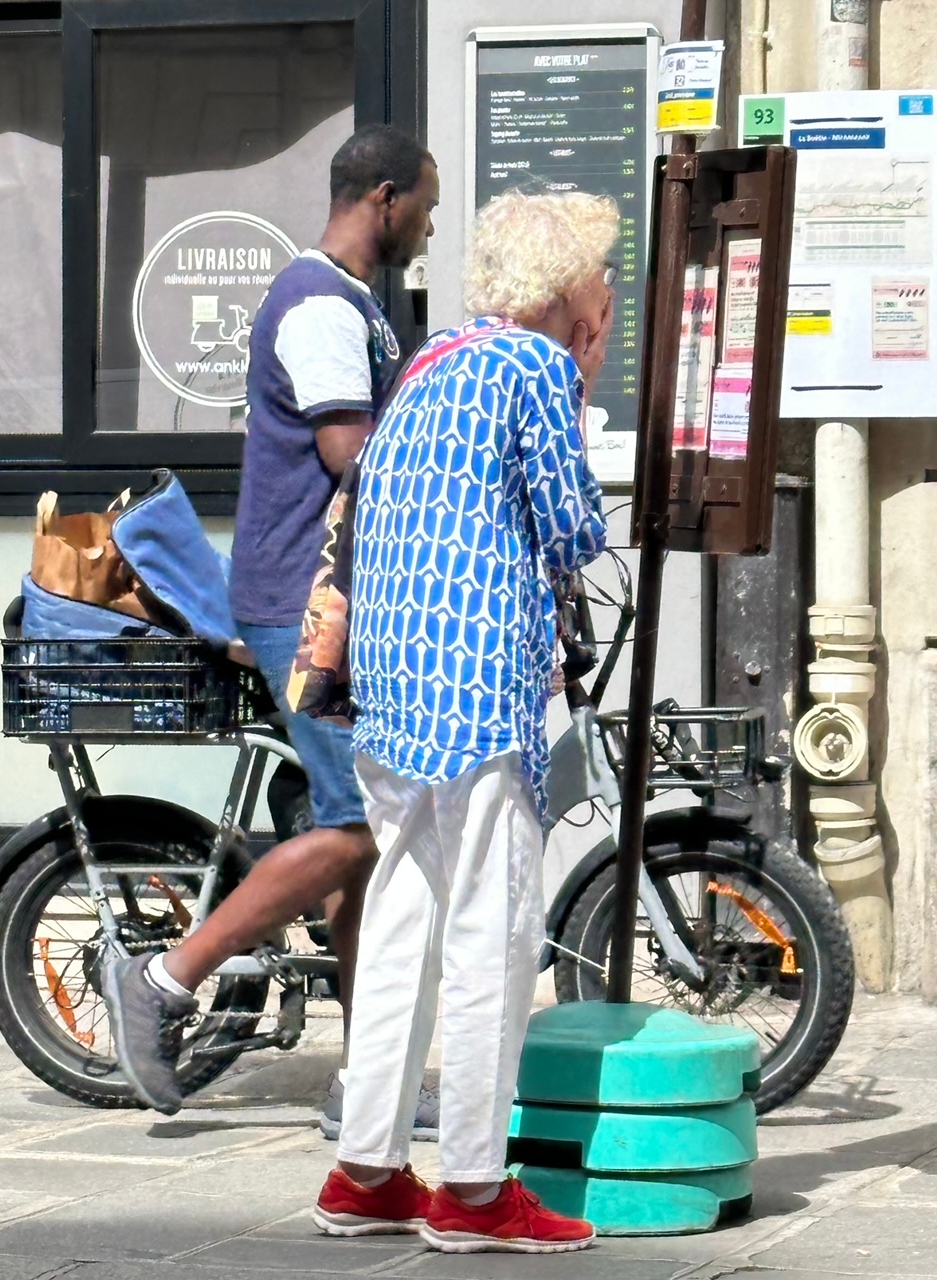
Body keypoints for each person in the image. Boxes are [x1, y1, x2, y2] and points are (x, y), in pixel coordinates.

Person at [101, 125, 440, 1135]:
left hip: (323, 595)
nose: (429, 221)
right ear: (385, 198)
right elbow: (354, 454)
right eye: (425, 200)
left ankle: (367, 1079)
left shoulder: (348, 302)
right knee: (357, 825)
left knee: (366, 835)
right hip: (307, 600)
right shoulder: (320, 305)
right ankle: (164, 977)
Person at [313, 189, 617, 1252]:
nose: (602, 300)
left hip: (395, 684)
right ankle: (479, 1190)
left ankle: (365, 1166)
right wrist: (583, 370)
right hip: (478, 677)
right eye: (596, 282)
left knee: (403, 911)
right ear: (563, 290)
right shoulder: (533, 366)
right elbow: (573, 521)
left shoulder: (433, 360)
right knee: (494, 925)